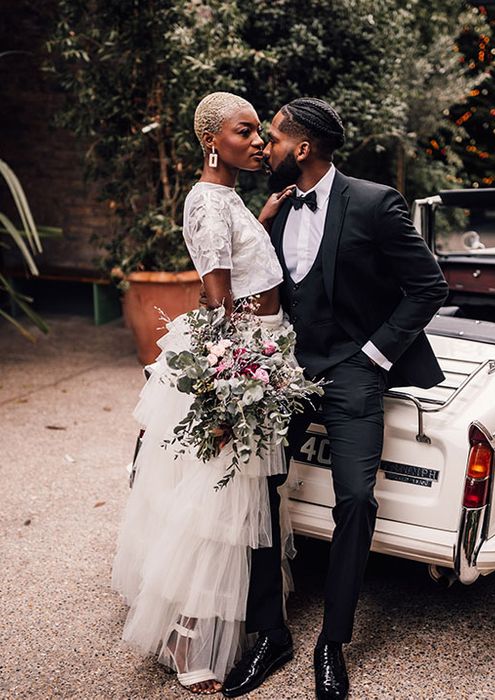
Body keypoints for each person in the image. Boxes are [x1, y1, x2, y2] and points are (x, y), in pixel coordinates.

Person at [222, 98, 449, 700]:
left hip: (353, 370)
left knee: (355, 498)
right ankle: (272, 633)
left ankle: (332, 642)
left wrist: (374, 356)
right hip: (287, 370)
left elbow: (428, 286)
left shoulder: (374, 203)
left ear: (302, 148)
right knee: (260, 486)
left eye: (273, 139)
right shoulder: (273, 209)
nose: (264, 148)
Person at [111, 92, 295, 695]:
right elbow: (217, 298)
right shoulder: (209, 203)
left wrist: (262, 219)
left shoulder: (224, 199)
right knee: (221, 499)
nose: (260, 143)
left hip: (258, 343)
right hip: (243, 353)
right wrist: (232, 381)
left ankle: (229, 616)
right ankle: (190, 635)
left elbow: (235, 265)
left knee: (236, 493)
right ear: (213, 140)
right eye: (247, 132)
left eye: (260, 134)